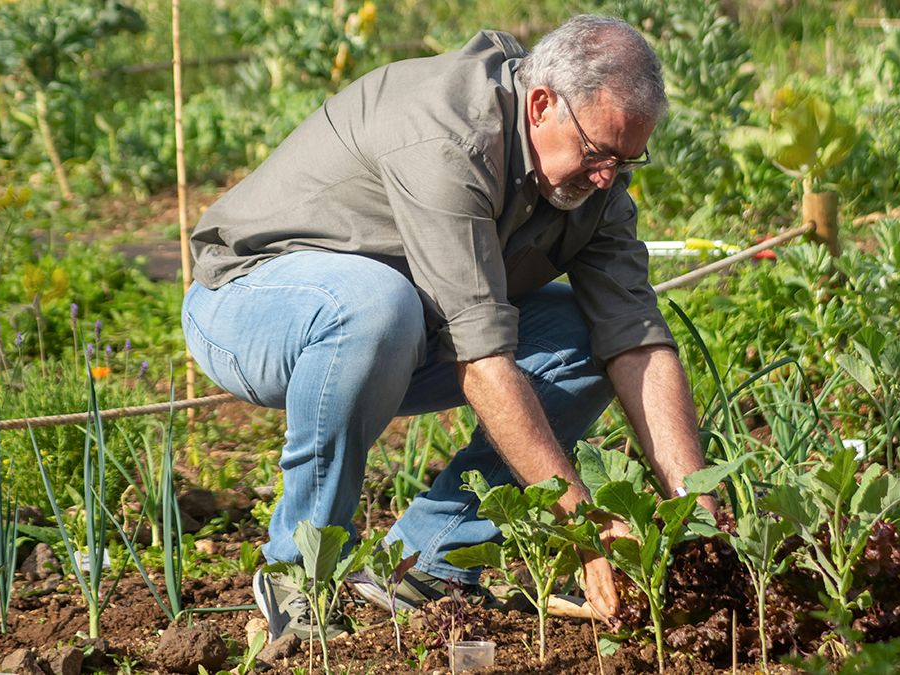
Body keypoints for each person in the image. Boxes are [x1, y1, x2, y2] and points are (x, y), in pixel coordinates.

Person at [182, 14, 714, 642]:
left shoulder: (595, 187)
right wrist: (585, 526)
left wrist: (697, 512)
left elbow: (637, 341)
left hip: (400, 327)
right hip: (251, 303)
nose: (607, 176)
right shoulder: (450, 139)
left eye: (627, 159)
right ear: (541, 104)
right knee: (377, 305)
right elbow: (483, 363)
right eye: (599, 153)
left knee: (582, 337)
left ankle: (425, 562)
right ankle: (301, 567)